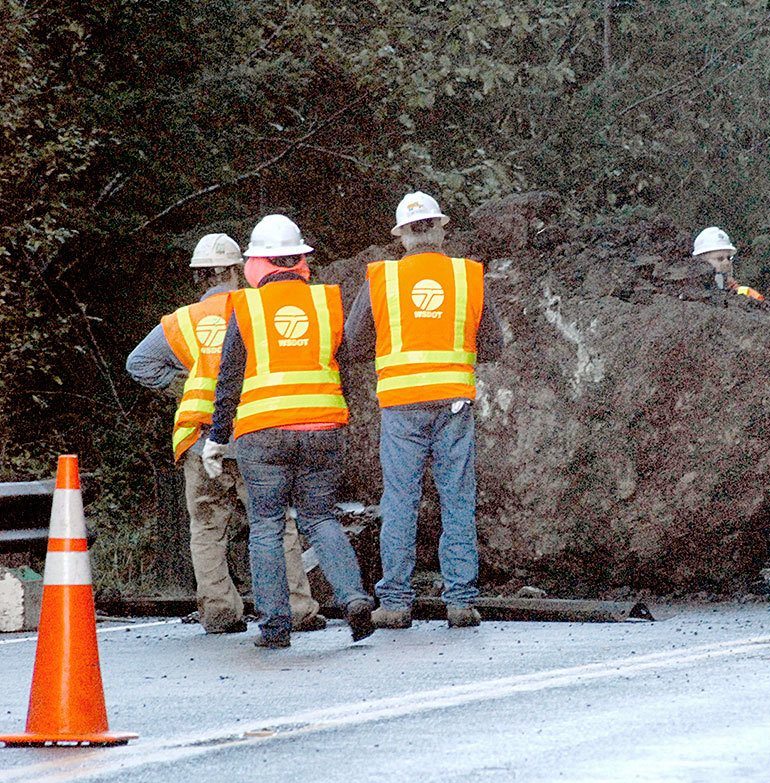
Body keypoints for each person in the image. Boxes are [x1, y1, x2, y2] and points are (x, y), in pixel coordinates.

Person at [126, 233, 326, 635]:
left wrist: (187, 384)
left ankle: (219, 613)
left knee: (206, 529)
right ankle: (298, 609)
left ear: (200, 276)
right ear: (239, 269)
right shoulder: (257, 309)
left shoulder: (183, 320)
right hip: (252, 433)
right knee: (274, 524)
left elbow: (139, 363)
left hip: (200, 439)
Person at [203, 214, 375, 649]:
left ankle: (276, 628)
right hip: (322, 427)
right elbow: (345, 365)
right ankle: (354, 597)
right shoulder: (326, 303)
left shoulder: (247, 307)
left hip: (262, 433)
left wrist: (217, 438)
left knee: (266, 525)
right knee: (321, 518)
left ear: (256, 264)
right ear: (300, 259)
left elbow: (229, 380)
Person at [343, 191, 503, 629]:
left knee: (400, 500)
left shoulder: (383, 280)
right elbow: (493, 344)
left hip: (401, 405)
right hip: (453, 401)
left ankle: (394, 603)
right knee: (457, 498)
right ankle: (461, 602)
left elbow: (353, 344)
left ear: (403, 236)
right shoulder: (467, 276)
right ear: (439, 228)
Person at [692, 226, 764, 301]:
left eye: (729, 258)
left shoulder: (746, 293)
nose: (726, 263)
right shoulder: (688, 295)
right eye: (719, 259)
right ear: (700, 262)